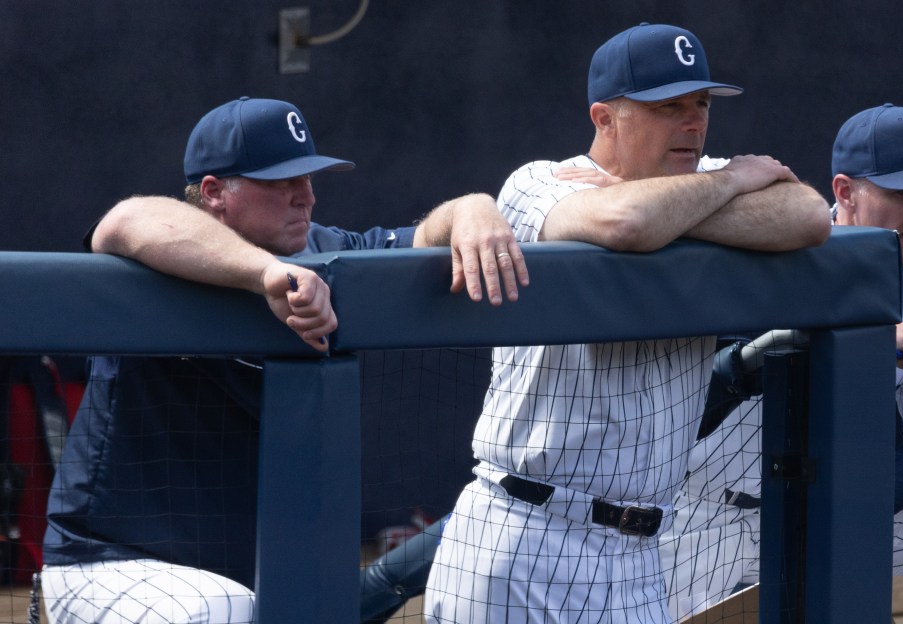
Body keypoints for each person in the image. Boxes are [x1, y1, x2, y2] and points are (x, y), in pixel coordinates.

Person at [38, 96, 529, 624]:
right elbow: (125, 220)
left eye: (309, 177)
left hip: (244, 584)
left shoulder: (329, 251)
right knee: (218, 610)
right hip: (109, 564)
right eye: (281, 182)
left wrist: (473, 207)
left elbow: (427, 236)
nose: (306, 196)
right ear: (213, 192)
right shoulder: (161, 249)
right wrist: (265, 274)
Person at [422, 23, 830, 624]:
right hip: (526, 531)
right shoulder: (540, 182)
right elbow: (627, 224)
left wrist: (689, 200)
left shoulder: (701, 180)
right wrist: (727, 186)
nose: (692, 123)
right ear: (605, 118)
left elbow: (809, 214)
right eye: (668, 107)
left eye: (701, 104)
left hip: (641, 555)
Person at [659, 104, 903, 624]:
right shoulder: (773, 248)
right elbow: (711, 387)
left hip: (827, 507)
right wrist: (858, 341)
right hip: (702, 516)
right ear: (845, 191)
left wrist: (844, 505)